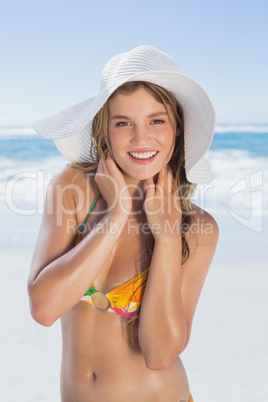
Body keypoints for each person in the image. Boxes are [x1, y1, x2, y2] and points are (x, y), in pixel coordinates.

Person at [28, 45, 219, 402]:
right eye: (123, 123)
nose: (141, 138)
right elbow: (44, 309)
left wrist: (166, 239)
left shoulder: (195, 227)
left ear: (177, 129)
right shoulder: (72, 189)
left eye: (156, 120)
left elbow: (160, 354)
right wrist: (115, 216)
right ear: (106, 129)